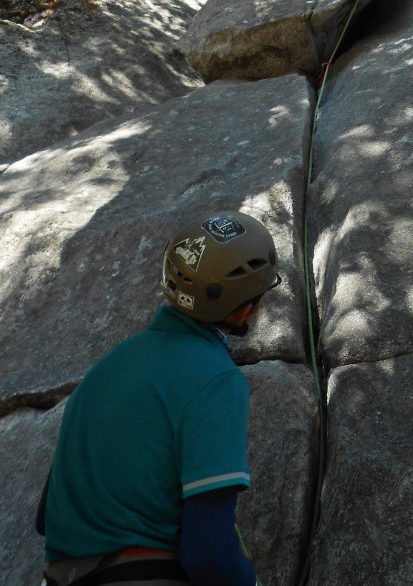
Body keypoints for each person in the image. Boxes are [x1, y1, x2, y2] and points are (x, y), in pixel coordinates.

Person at [36, 212, 282, 586]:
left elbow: (46, 518)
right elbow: (208, 554)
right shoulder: (215, 380)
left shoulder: (103, 371)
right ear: (246, 307)